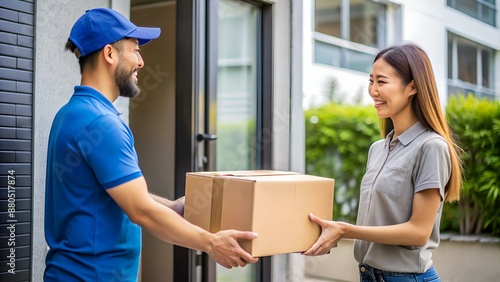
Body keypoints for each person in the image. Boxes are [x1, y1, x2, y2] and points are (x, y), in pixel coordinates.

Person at [44, 8, 258, 281]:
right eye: (135, 50)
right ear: (109, 54)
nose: (141, 62)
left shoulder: (72, 113)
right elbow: (141, 211)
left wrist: (172, 207)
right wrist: (211, 243)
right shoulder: (100, 123)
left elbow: (116, 193)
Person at [303, 42, 462, 282]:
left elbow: (419, 232)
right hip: (369, 275)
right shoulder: (377, 149)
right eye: (371, 81)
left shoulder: (431, 147)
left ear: (412, 87)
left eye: (381, 81)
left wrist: (345, 230)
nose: (373, 90)